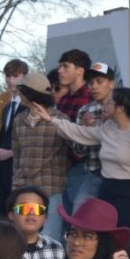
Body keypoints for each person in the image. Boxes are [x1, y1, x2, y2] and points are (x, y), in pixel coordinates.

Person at [33, 86, 130, 259]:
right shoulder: (107, 128)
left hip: (129, 192)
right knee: (104, 242)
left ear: (120, 108)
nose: (103, 107)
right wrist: (51, 119)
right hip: (107, 189)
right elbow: (81, 134)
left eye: (109, 103)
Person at [12, 72, 71, 243]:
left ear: (30, 93)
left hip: (51, 190)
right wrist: (15, 185)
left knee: (50, 241)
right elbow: (17, 157)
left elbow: (74, 151)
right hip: (23, 192)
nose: (19, 94)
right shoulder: (19, 120)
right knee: (20, 242)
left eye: (22, 90)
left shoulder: (59, 119)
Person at [66, 62, 118, 209]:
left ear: (111, 84)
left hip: (119, 175)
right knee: (80, 211)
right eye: (91, 83)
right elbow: (78, 152)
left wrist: (98, 129)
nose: (94, 86)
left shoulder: (122, 107)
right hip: (94, 174)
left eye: (99, 82)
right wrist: (85, 132)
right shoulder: (85, 111)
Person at [0, 58, 29, 216]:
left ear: (24, 77)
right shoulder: (6, 108)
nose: (11, 80)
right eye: (8, 76)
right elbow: (4, 136)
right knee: (0, 214)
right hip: (1, 171)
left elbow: (31, 138)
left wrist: (11, 152)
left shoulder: (29, 106)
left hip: (19, 170)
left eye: (15, 76)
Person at [56, 49, 94, 213]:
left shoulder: (90, 98)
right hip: (63, 167)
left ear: (80, 71)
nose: (60, 71)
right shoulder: (64, 100)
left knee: (78, 217)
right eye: (60, 67)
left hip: (82, 167)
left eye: (65, 66)